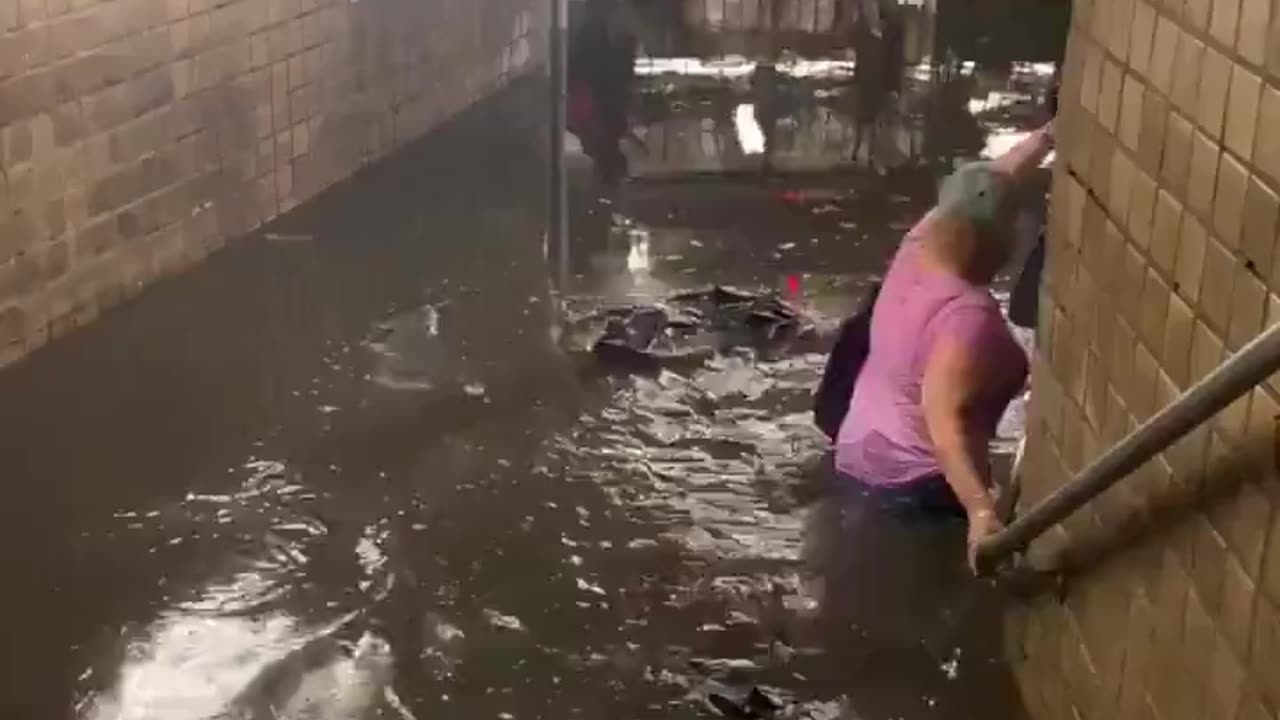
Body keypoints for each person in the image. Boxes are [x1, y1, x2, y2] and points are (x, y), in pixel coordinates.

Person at [835, 122, 1054, 571]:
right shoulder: (965, 317)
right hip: (918, 487)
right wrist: (980, 510)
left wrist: (1046, 139)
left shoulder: (918, 243)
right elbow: (945, 425)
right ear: (1002, 240)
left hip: (856, 453)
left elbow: (988, 185)